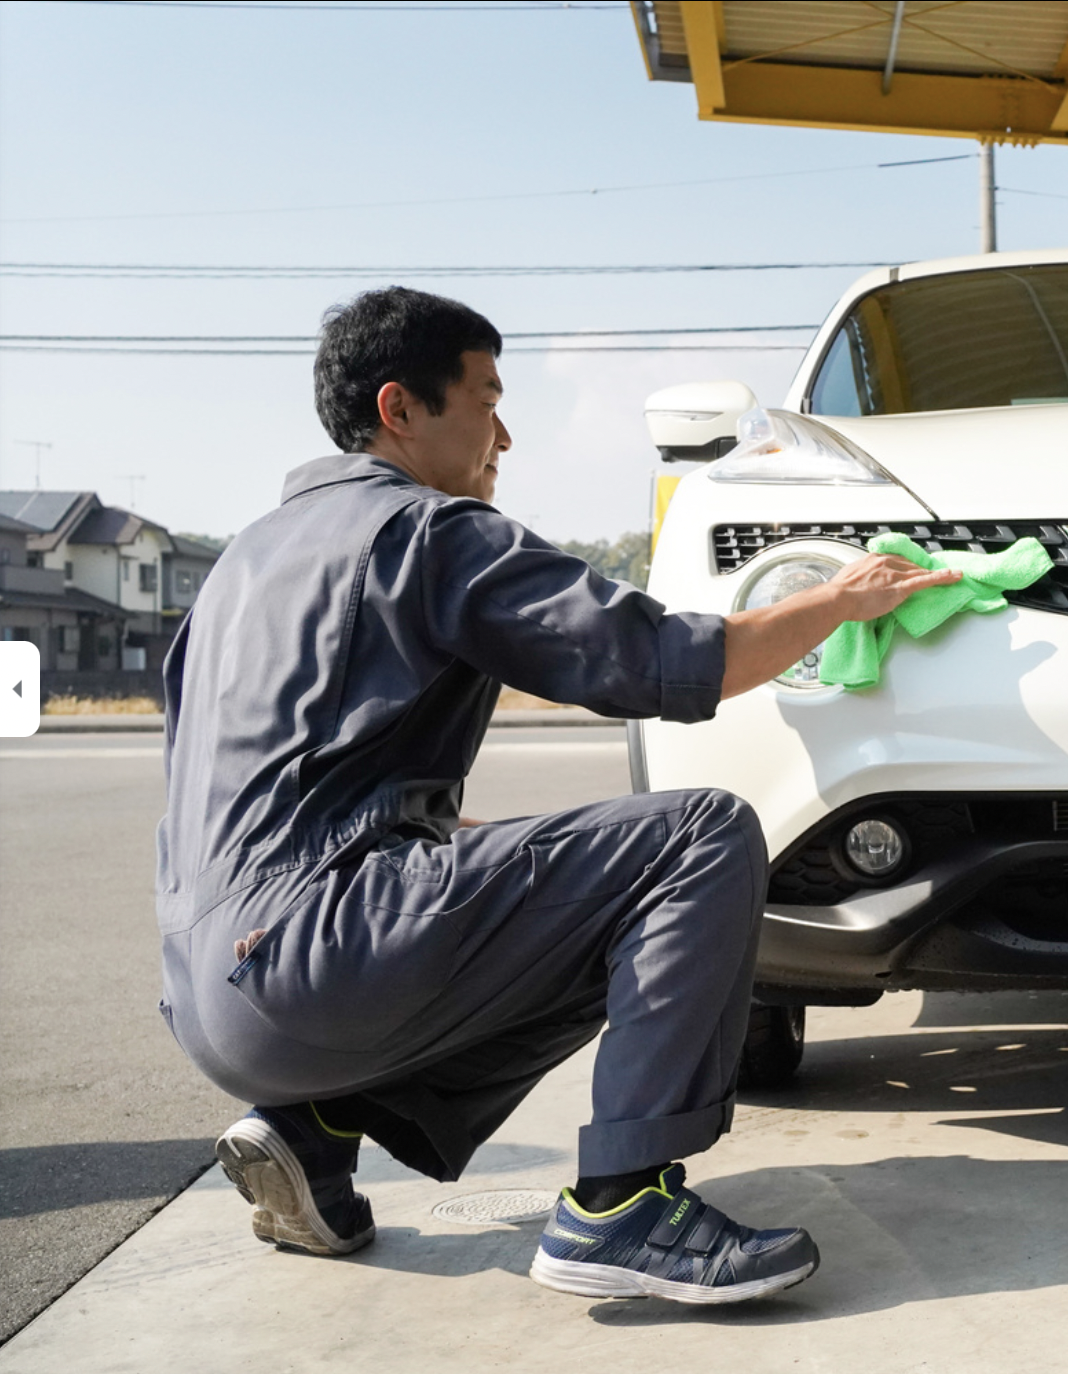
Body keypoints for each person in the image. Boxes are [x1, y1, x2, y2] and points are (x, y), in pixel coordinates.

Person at [155, 286, 955, 1305]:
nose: (507, 432)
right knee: (699, 838)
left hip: (214, 1001)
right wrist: (838, 600)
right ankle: (622, 1208)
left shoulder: (236, 569)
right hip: (316, 962)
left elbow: (266, 797)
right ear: (400, 410)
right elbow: (657, 662)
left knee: (574, 905)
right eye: (486, 399)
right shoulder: (425, 531)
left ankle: (316, 1130)